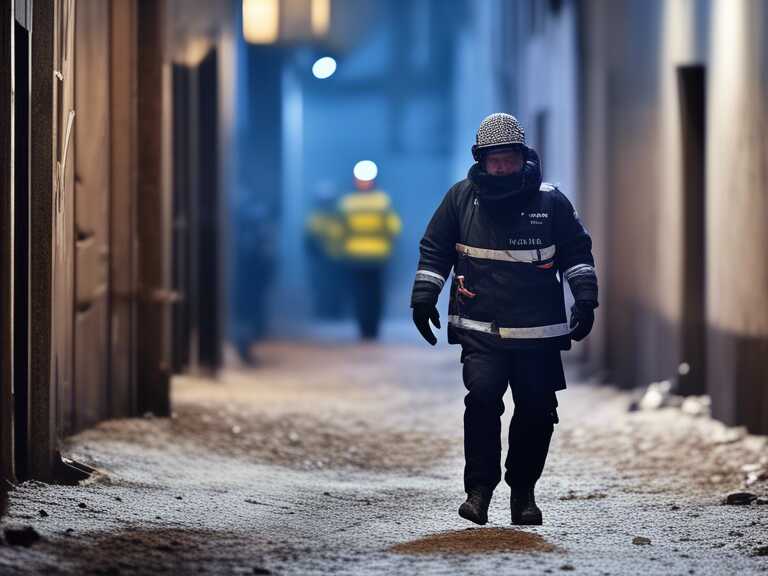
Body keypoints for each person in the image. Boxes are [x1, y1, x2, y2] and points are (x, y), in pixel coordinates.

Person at [410, 113, 598, 525]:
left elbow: (576, 252)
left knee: (536, 410)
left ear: (522, 157)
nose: (500, 168)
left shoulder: (551, 203)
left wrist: (585, 298)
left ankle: (523, 493)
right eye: (493, 160)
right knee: (481, 402)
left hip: (539, 333)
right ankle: (478, 492)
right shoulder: (461, 199)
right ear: (480, 160)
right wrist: (424, 296)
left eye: (508, 159)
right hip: (481, 330)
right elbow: (435, 249)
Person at [337, 172, 402, 339]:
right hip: (375, 255)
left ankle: (365, 329)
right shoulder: (382, 200)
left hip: (358, 255)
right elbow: (394, 227)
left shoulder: (347, 202)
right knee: (373, 294)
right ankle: (371, 329)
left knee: (362, 294)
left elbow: (338, 230)